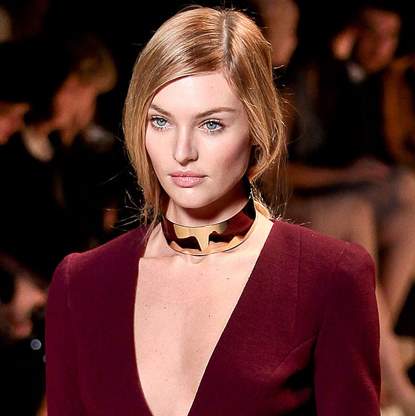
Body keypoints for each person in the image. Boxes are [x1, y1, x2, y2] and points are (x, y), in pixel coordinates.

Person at [45, 7, 380, 415]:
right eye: (161, 121)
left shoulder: (329, 277)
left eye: (211, 124)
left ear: (258, 127)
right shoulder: (80, 284)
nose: (182, 152)